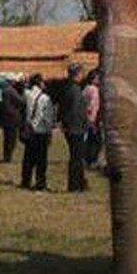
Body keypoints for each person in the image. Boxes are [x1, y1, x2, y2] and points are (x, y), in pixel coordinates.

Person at [21, 74, 56, 191]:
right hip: (41, 131)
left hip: (30, 130)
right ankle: (40, 183)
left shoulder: (27, 94)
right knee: (41, 160)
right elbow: (46, 117)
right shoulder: (45, 98)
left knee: (28, 158)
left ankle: (25, 181)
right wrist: (50, 129)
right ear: (40, 83)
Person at [61, 63, 90, 193]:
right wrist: (83, 126)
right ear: (77, 74)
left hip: (72, 127)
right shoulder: (75, 90)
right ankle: (74, 185)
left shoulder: (69, 88)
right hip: (75, 129)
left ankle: (81, 182)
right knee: (76, 158)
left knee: (77, 157)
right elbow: (76, 111)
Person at [0, 75, 27, 164]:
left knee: (6, 139)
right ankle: (8, 157)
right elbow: (21, 101)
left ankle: (6, 156)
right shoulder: (11, 91)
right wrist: (23, 93)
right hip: (13, 118)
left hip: (5, 118)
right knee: (12, 139)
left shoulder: (4, 90)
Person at [82, 68, 103, 169]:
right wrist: (94, 120)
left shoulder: (85, 89)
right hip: (93, 119)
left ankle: (86, 159)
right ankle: (92, 161)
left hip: (85, 118)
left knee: (88, 141)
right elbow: (94, 106)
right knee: (96, 141)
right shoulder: (95, 91)